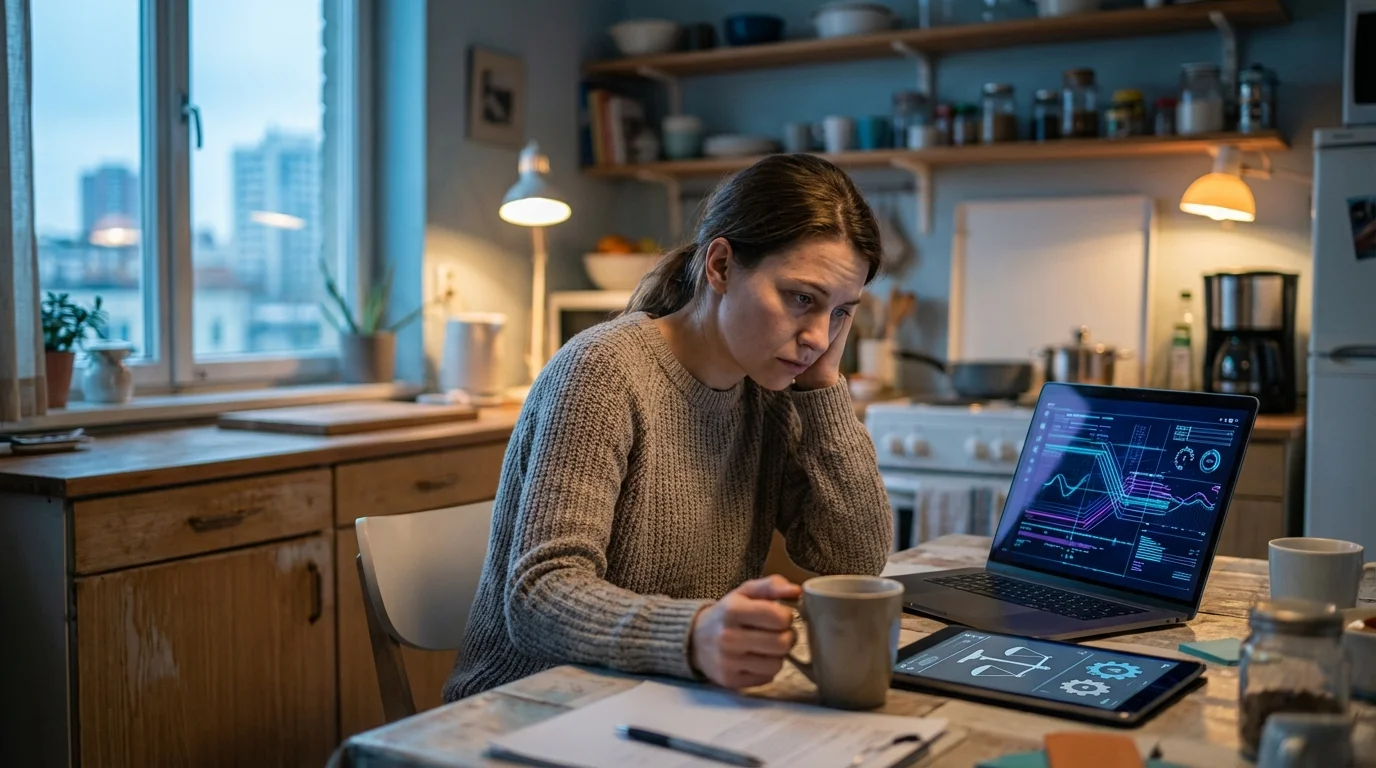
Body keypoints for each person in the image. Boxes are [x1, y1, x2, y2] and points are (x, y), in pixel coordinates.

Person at [443, 153, 894, 702]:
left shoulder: (771, 390)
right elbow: (540, 596)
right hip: (530, 707)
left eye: (842, 312)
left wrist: (823, 383)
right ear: (722, 266)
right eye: (802, 299)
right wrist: (693, 632)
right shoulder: (603, 372)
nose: (819, 335)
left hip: (664, 699)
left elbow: (854, 562)